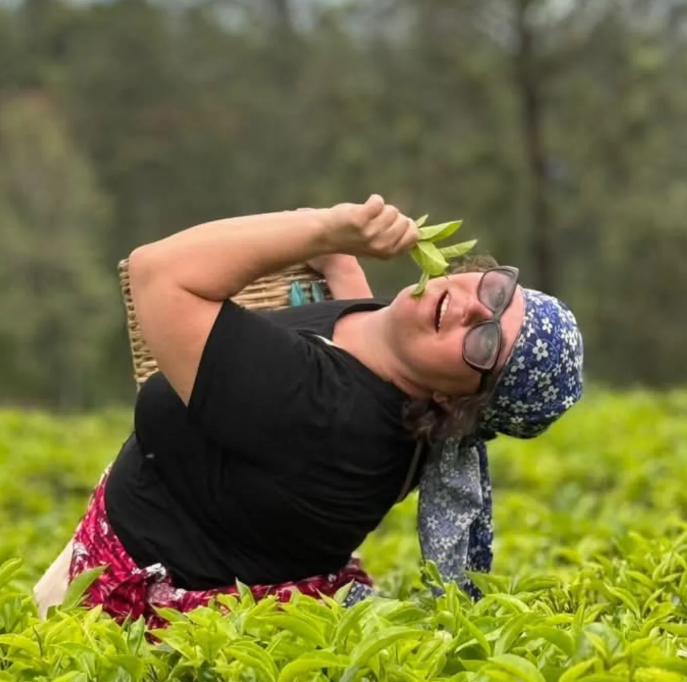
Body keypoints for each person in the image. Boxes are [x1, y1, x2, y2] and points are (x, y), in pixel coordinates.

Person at [33, 195, 584, 627]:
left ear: (456, 401)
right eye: (495, 293)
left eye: (485, 343)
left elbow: (156, 272)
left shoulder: (325, 417)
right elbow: (360, 346)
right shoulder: (396, 374)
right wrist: (342, 263)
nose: (470, 308)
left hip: (129, 607)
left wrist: (326, 229)